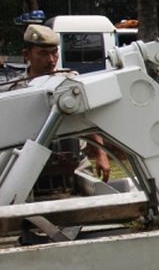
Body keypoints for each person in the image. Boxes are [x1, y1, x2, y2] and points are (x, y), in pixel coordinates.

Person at [13, 24, 112, 181]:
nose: (51, 60)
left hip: (76, 161)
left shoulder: (71, 81)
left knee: (92, 197)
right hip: (29, 165)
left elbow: (88, 119)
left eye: (54, 53)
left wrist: (101, 154)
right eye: (43, 54)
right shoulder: (15, 90)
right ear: (26, 55)